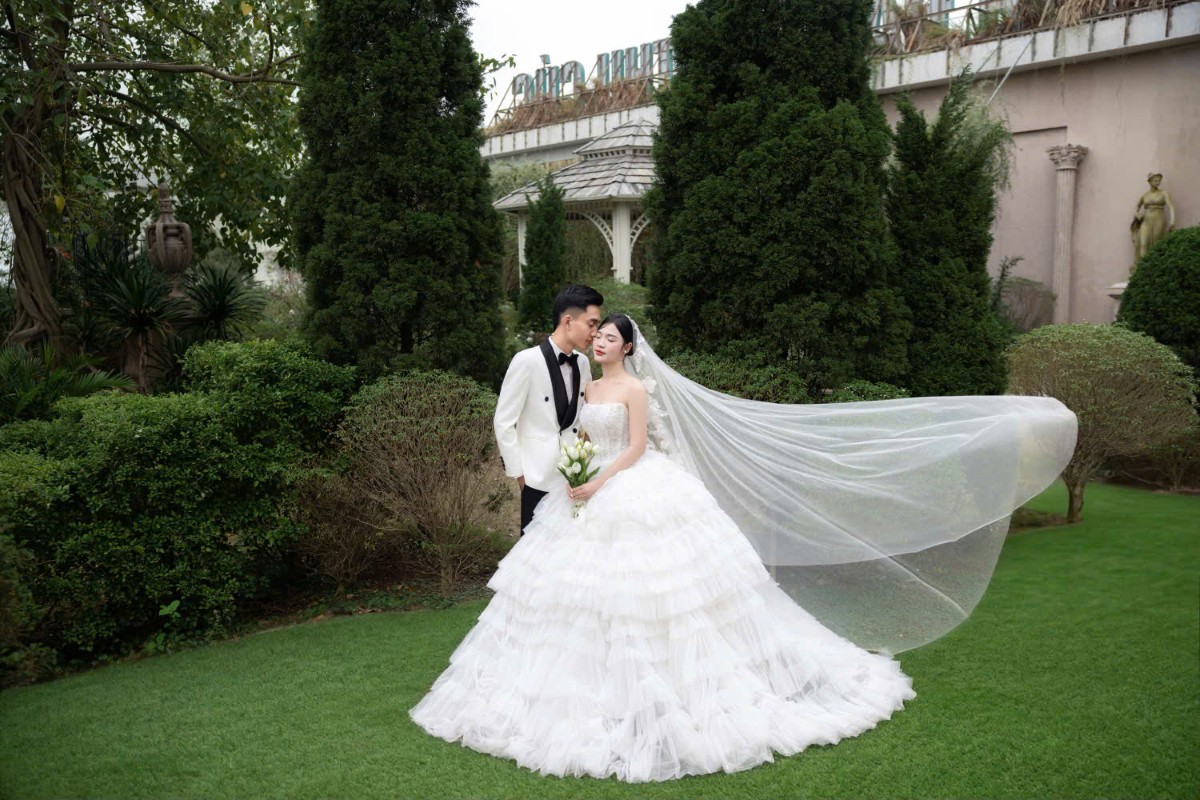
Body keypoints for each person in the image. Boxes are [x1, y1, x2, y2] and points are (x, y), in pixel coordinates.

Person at [410, 314, 1077, 783]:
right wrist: (575, 471)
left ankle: (681, 696)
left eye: (610, 336)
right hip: (583, 493)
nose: (600, 340)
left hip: (629, 488)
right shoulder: (586, 385)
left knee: (658, 594)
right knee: (572, 599)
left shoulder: (635, 388)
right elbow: (581, 434)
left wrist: (600, 479)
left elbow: (637, 447)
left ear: (628, 347)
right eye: (598, 334)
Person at [493, 284, 603, 535]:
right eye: (591, 324)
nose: (595, 333)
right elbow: (503, 421)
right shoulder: (526, 360)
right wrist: (520, 476)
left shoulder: (583, 363)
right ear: (568, 321)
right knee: (534, 552)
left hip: (573, 478)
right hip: (536, 478)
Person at [1131, 172, 1176, 263]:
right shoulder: (1145, 195)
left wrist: (1172, 221)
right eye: (1156, 181)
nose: (1158, 183)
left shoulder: (1164, 193)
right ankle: (1142, 267)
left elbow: (1171, 207)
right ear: (1150, 181)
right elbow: (1137, 207)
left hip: (1159, 220)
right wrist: (1136, 214)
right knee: (1143, 243)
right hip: (1146, 221)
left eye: (1159, 181)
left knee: (1156, 243)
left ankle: (1154, 266)